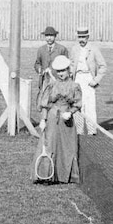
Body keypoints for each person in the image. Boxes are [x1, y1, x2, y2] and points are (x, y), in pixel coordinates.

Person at [34, 55, 81, 184]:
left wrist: (70, 112)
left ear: (68, 70)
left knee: (67, 147)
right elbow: (45, 104)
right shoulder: (51, 85)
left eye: (64, 70)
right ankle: (47, 174)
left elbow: (77, 104)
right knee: (50, 144)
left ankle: (65, 175)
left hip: (66, 121)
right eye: (59, 71)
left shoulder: (74, 86)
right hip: (52, 117)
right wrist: (43, 119)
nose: (61, 74)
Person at [68, 27, 107, 135]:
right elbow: (71, 65)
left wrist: (96, 80)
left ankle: (91, 131)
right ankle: (79, 130)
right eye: (79, 37)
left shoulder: (93, 49)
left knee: (89, 106)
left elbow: (103, 66)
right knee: (77, 105)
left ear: (88, 37)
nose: (81, 39)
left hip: (89, 78)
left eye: (83, 37)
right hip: (77, 79)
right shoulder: (74, 49)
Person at [33, 26, 68, 92]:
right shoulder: (41, 50)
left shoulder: (62, 49)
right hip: (45, 80)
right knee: (45, 99)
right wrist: (40, 70)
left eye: (51, 36)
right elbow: (37, 63)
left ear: (55, 36)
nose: (49, 38)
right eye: (47, 36)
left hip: (58, 80)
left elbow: (66, 66)